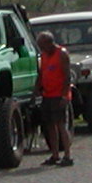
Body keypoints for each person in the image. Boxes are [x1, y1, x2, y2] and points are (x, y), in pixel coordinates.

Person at [35, 31, 75, 166]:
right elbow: (41, 74)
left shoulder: (61, 54)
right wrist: (37, 90)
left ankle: (68, 156)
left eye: (42, 45)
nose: (40, 48)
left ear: (49, 43)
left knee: (61, 125)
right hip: (48, 95)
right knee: (50, 126)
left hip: (59, 95)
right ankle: (55, 154)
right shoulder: (44, 55)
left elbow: (67, 76)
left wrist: (64, 95)